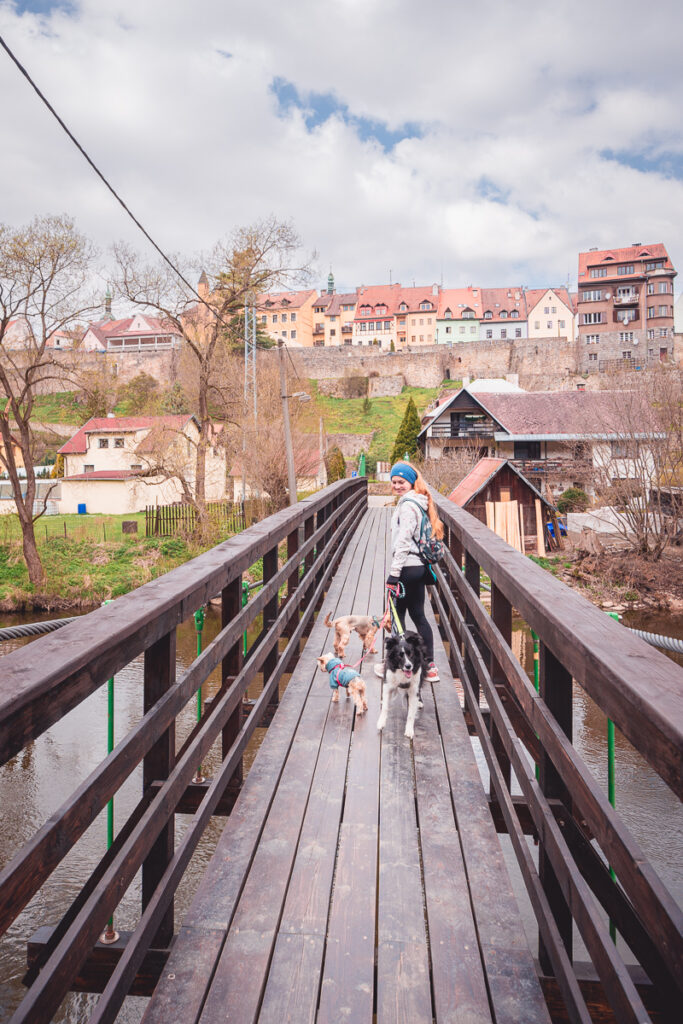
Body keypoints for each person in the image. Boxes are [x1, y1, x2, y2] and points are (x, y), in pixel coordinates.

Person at [375, 460, 444, 683]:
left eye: (401, 481)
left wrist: (393, 575)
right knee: (420, 616)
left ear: (411, 482)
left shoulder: (407, 506)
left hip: (405, 569)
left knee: (398, 619)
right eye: (393, 482)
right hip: (419, 569)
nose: (396, 485)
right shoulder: (419, 502)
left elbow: (403, 543)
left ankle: (394, 667)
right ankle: (430, 666)